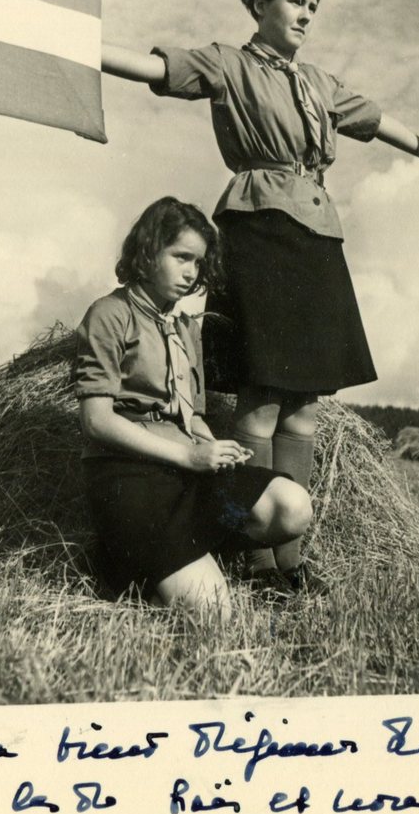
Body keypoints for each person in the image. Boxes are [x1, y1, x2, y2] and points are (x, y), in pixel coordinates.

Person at [100, 0, 419, 591]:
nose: (306, 14)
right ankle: (256, 561)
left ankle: (292, 558)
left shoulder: (320, 81)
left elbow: (380, 123)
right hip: (257, 234)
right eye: (294, 2)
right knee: (258, 401)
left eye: (313, 6)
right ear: (260, 4)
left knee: (303, 408)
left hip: (318, 241)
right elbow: (157, 68)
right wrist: (81, 47)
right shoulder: (229, 63)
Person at [75, 196, 313, 621]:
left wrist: (213, 445)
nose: (191, 273)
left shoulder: (184, 328)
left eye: (198, 263)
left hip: (186, 473)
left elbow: (192, 415)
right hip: (129, 478)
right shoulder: (110, 314)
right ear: (147, 252)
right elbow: (96, 421)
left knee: (292, 507)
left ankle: (182, 555)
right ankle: (125, 565)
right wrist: (188, 454)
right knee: (214, 615)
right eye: (181, 257)